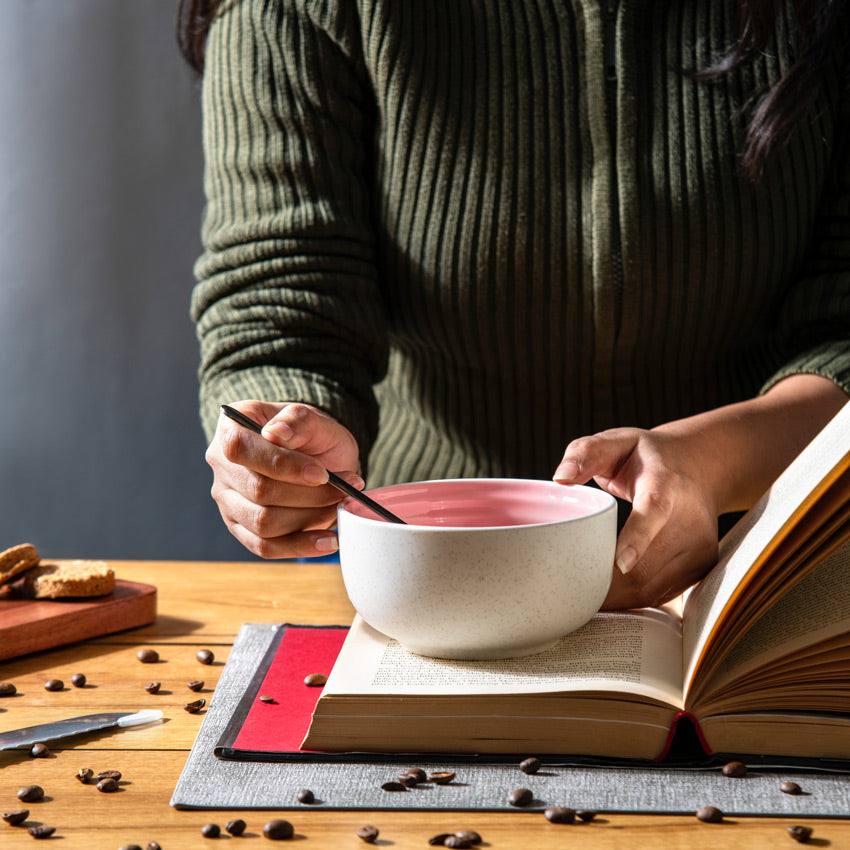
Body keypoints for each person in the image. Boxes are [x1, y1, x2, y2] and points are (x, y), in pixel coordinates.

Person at [179, 1, 850, 610]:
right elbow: (280, 303)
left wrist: (712, 464)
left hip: (771, 572)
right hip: (429, 580)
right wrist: (284, 438)